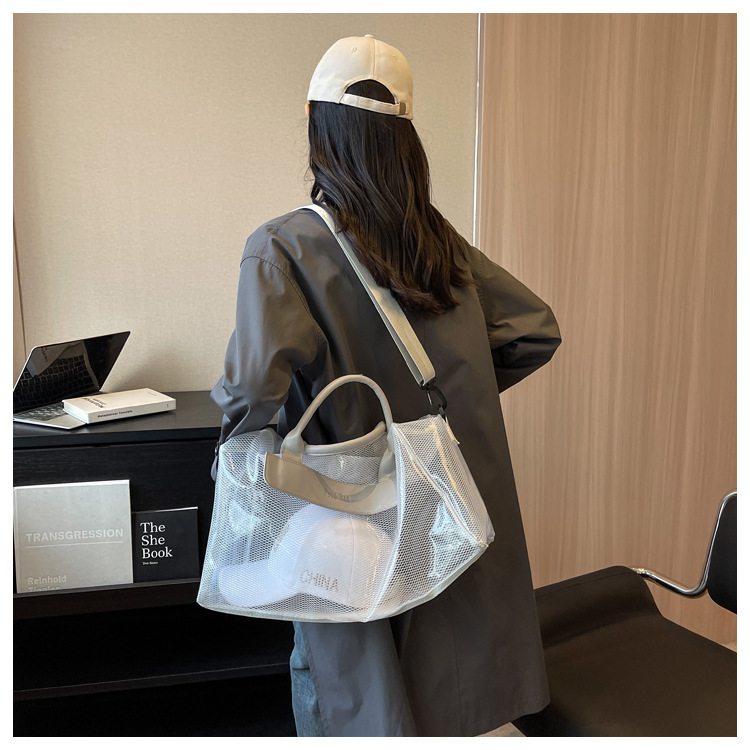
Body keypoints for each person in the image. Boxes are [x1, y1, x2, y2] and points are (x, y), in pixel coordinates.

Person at [211, 34, 561, 737]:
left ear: (314, 124)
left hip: (344, 514)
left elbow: (252, 394)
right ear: (406, 141)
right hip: (443, 494)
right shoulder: (437, 242)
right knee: (445, 665)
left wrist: (234, 463)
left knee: (350, 677)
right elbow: (534, 330)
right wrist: (463, 390)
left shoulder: (282, 248)